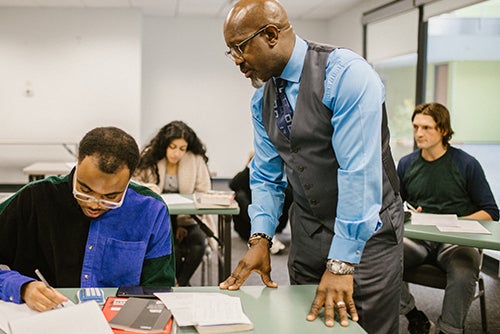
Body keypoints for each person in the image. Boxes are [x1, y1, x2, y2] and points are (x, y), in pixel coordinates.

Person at [220, 1, 404, 333]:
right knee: (306, 325)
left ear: (271, 34)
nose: (236, 60)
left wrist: (342, 262)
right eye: (230, 51)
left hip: (367, 238)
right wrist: (261, 237)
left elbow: (358, 173)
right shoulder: (261, 99)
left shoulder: (346, 75)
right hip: (307, 233)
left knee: (366, 326)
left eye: (239, 48)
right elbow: (265, 174)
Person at [0, 127, 175, 312]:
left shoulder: (150, 210)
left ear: (130, 179)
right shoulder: (34, 199)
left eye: (111, 196)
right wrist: (22, 287)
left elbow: (159, 290)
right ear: (77, 162)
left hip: (119, 323)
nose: (94, 204)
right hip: (45, 318)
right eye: (85, 190)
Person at [398, 102, 499, 334]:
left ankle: (448, 330)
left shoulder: (466, 164)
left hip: (456, 241)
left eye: (426, 128)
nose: (418, 133)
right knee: (380, 255)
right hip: (419, 241)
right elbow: (395, 204)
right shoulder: (406, 164)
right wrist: (407, 213)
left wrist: (455, 223)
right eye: (415, 127)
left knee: (464, 267)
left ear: (443, 130)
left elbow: (491, 212)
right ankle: (414, 316)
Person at [133, 120, 214, 287]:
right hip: (157, 219)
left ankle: (180, 284)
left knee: (198, 245)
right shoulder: (150, 156)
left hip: (189, 218)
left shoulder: (195, 160)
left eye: (182, 149)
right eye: (173, 147)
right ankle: (176, 282)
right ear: (165, 144)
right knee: (171, 249)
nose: (176, 153)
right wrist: (152, 188)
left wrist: (182, 222)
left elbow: (203, 191)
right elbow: (135, 185)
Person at [229, 151, 291, 254]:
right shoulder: (245, 177)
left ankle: (267, 234)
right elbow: (233, 184)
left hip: (275, 225)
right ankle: (261, 234)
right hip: (247, 227)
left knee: (283, 194)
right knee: (239, 196)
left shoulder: (275, 176)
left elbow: (290, 195)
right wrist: (249, 169)